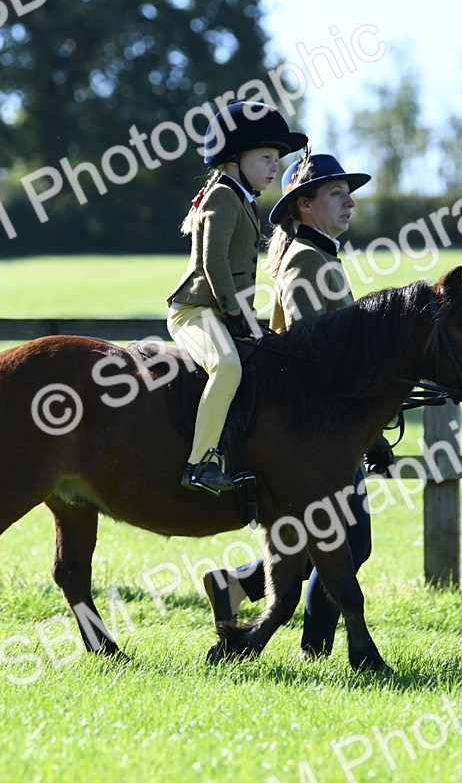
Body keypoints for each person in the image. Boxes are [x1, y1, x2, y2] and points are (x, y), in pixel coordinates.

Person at [202, 150, 394, 657]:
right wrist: (362, 422)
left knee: (324, 541)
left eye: (347, 193)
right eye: (336, 193)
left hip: (328, 425)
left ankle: (239, 586)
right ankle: (316, 644)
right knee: (349, 544)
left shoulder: (321, 253)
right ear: (304, 205)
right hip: (317, 430)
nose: (349, 202)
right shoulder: (307, 261)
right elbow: (315, 355)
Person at [166, 101, 307, 494]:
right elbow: (213, 264)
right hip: (194, 310)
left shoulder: (241, 197)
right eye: (266, 157)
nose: (275, 166)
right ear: (235, 158)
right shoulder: (223, 197)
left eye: (276, 158)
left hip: (225, 311)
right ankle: (199, 463)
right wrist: (235, 312)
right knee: (227, 367)